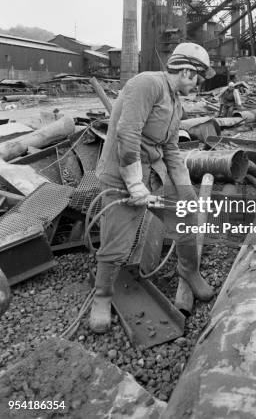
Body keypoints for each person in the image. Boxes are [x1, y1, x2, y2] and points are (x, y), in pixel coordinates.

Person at [89, 43, 216, 333]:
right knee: (117, 243)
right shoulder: (148, 84)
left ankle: (189, 270)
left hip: (153, 175)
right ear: (186, 71)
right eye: (198, 77)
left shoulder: (176, 102)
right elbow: (127, 132)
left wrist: (184, 189)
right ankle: (102, 296)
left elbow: (170, 148)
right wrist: (134, 183)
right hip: (121, 176)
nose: (198, 84)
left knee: (186, 215)